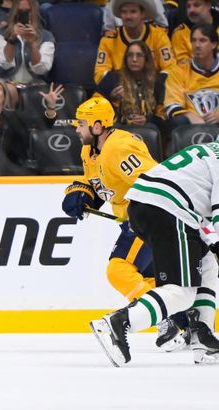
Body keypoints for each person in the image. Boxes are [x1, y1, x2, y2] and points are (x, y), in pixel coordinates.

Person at [62, 96, 189, 354]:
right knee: (153, 280)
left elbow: (157, 182)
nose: (77, 129)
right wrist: (82, 192)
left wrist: (154, 222)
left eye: (82, 124)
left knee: (118, 270)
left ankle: (168, 319)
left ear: (98, 126)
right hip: (137, 221)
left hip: (151, 219)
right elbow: (100, 185)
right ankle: (184, 324)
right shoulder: (90, 150)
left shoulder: (120, 148)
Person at [91, 141, 219, 365]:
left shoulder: (211, 150)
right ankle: (118, 322)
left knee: (207, 260)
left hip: (151, 205)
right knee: (182, 292)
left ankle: (203, 338)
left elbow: (206, 217)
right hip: (169, 209)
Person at [94, 0, 175, 87]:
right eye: (124, 12)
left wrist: (152, 86)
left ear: (143, 14)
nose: (128, 16)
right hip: (119, 93)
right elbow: (99, 73)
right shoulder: (108, 40)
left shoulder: (159, 37)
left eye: (133, 12)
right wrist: (124, 85)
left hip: (151, 92)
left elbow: (171, 69)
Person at [98, 41, 167, 131]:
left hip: (147, 131)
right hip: (118, 130)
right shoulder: (111, 79)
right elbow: (95, 108)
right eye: (130, 55)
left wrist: (147, 120)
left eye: (139, 55)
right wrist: (111, 101)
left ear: (146, 59)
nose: (134, 59)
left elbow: (163, 119)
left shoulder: (157, 82)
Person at [164, 23, 219, 128]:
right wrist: (189, 116)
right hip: (191, 127)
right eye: (194, 40)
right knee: (178, 121)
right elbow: (172, 104)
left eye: (202, 40)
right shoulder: (178, 71)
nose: (197, 45)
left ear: (214, 44)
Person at [0, 0, 55, 85]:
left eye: (28, 11)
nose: (24, 14)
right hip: (8, 85)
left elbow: (42, 70)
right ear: (14, 12)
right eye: (20, 11)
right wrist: (11, 39)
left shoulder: (46, 36)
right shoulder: (1, 34)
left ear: (34, 12)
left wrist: (33, 45)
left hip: (35, 86)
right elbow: (4, 65)